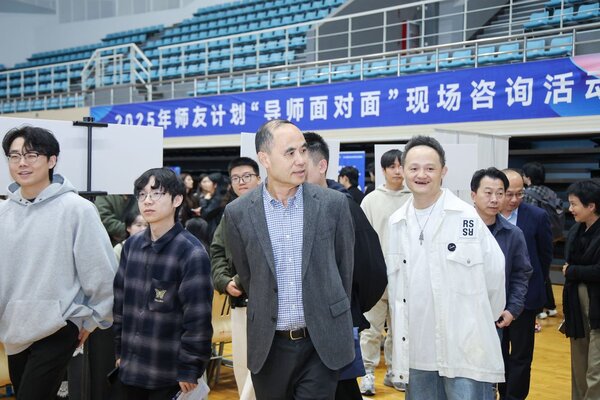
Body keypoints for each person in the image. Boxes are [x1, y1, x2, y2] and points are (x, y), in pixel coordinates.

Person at [224, 119, 355, 400]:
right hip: (270, 346)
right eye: (290, 152)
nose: (301, 160)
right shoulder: (238, 213)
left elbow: (344, 270)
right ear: (265, 159)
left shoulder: (333, 204)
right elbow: (248, 275)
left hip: (320, 344)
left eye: (303, 150)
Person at [0, 125, 116, 400]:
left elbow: (101, 270)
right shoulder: (4, 212)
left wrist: (93, 320)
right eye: (14, 156)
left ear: (52, 160)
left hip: (59, 325)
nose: (22, 163)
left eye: (31, 155)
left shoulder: (78, 209)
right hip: (14, 329)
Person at [387, 135, 506, 400]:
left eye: (430, 168)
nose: (421, 175)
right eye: (414, 168)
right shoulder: (396, 223)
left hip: (464, 349)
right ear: (403, 171)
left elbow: (495, 275)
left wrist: (476, 322)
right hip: (416, 353)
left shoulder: (465, 217)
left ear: (444, 171)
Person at [113, 167, 213, 399]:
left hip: (168, 372)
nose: (147, 201)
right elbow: (120, 305)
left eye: (156, 194)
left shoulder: (191, 252)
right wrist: (119, 351)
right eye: (142, 195)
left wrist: (190, 367)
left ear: (177, 200)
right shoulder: (131, 246)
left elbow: (197, 318)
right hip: (129, 367)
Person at [303, 132, 387, 400]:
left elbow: (371, 268)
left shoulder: (345, 207)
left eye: (303, 166)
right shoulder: (287, 209)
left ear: (322, 166)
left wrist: (349, 306)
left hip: (336, 324)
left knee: (340, 387)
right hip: (297, 331)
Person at [470, 168, 533, 400]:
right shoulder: (456, 229)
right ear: (473, 195)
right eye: (488, 193)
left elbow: (521, 274)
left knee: (489, 375)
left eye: (499, 193)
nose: (495, 199)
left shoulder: (513, 234)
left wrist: (513, 309)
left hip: (494, 316)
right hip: (461, 316)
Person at [358, 148, 411, 395]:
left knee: (399, 331)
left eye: (401, 166)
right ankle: (367, 373)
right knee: (371, 329)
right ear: (383, 170)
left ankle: (395, 372)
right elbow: (362, 239)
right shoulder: (370, 200)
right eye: (392, 167)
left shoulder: (414, 198)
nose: (397, 171)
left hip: (405, 277)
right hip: (376, 277)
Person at [210, 156, 262, 399]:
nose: (241, 182)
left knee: (261, 368)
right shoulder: (230, 212)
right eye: (236, 178)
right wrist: (224, 281)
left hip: (267, 303)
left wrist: (239, 280)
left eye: (247, 176)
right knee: (242, 365)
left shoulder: (270, 208)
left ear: (259, 178)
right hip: (239, 301)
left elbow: (264, 255)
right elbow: (217, 250)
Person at [500, 169, 553, 398]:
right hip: (494, 299)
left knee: (521, 355)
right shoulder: (485, 216)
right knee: (498, 353)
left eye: (520, 193)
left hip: (526, 298)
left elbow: (544, 256)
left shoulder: (537, 216)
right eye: (509, 194)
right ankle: (501, 392)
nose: (514, 199)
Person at [562, 179, 600, 400]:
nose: (571, 209)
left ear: (591, 206)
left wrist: (573, 271)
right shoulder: (576, 230)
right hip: (576, 305)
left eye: (574, 204)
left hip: (596, 306)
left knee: (596, 369)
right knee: (579, 365)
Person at [522, 162, 560, 319]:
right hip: (552, 234)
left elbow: (527, 218)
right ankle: (550, 306)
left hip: (533, 238)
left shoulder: (528, 194)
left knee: (534, 270)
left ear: (528, 177)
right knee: (543, 269)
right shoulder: (550, 192)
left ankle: (539, 309)